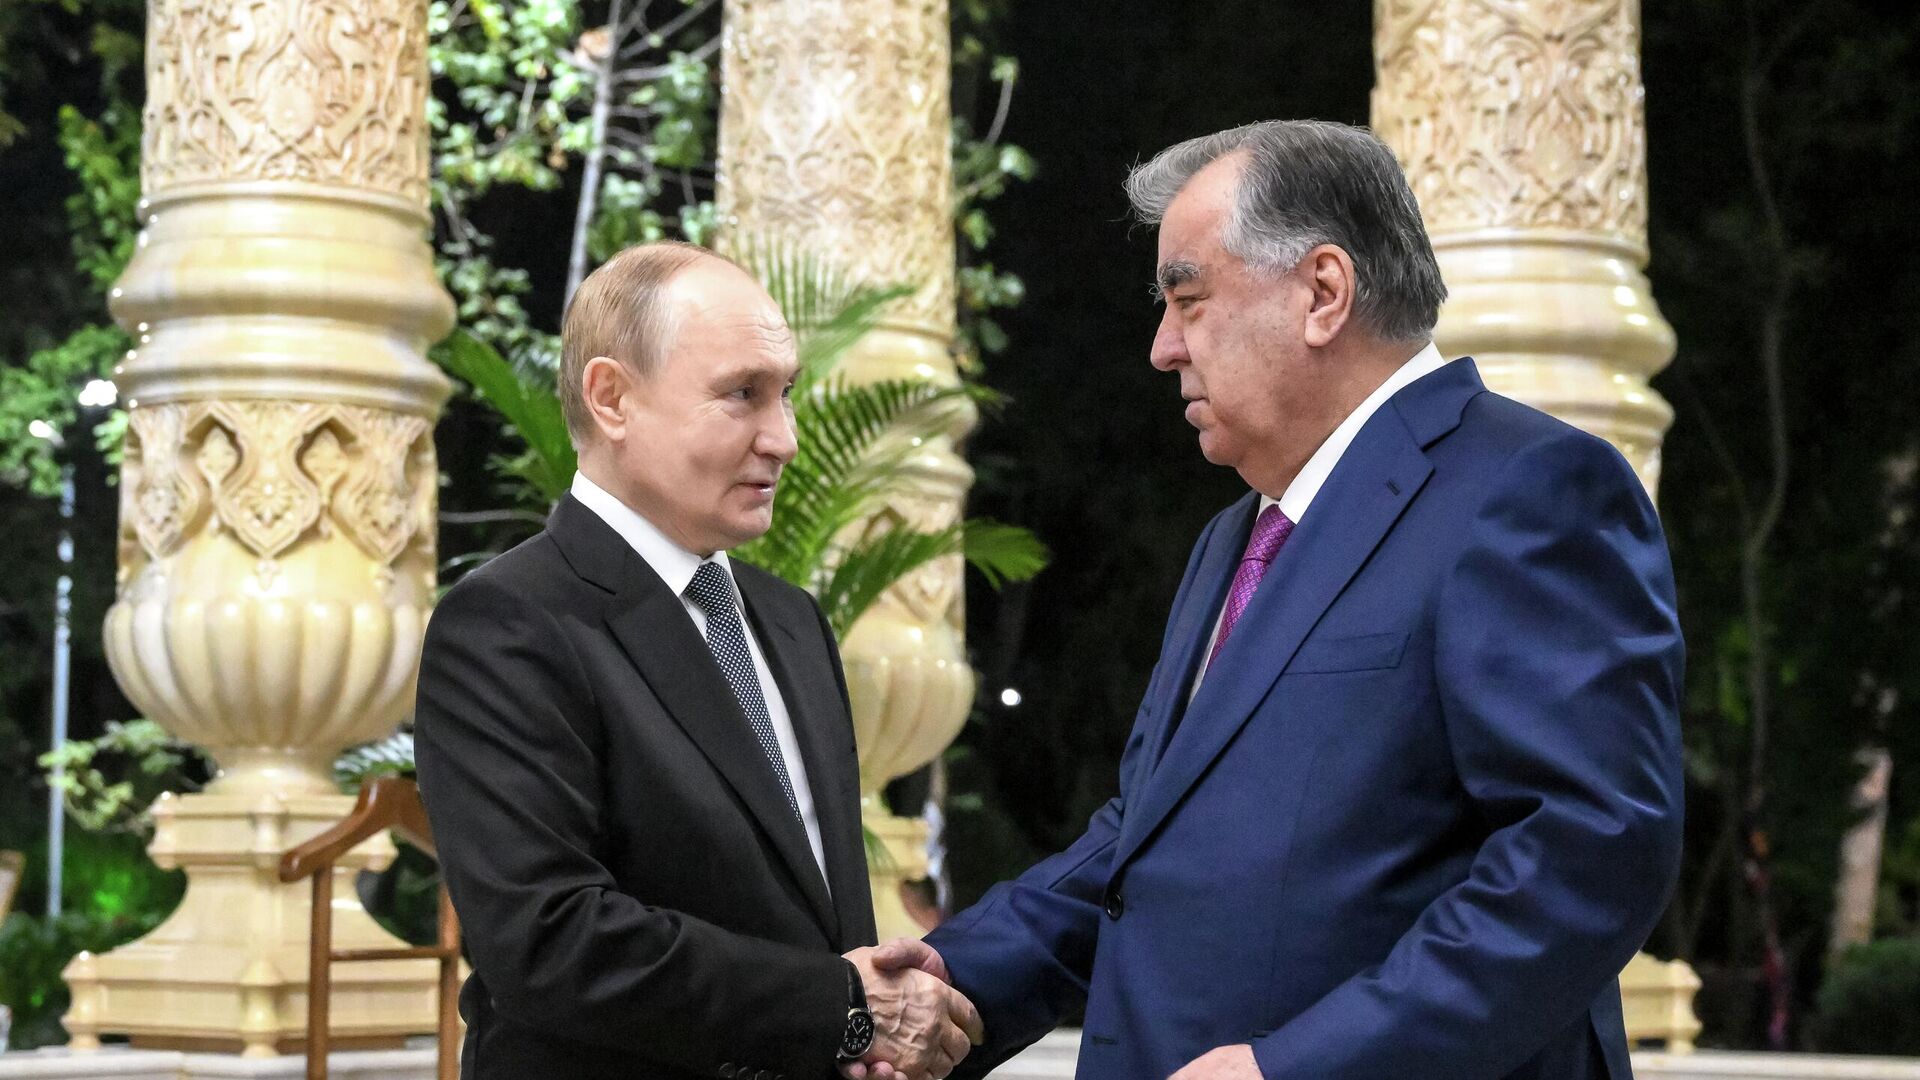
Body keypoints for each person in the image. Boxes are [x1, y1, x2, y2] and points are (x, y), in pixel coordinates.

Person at [909, 120, 1686, 1079]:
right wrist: (951, 976)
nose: (1162, 348)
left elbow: (1587, 856)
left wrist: (1301, 1068)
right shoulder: (1236, 536)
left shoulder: (1530, 488)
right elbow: (1147, 837)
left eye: (1187, 299)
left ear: (1323, 292)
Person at [415, 242, 982, 1080]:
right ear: (612, 398)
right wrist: (841, 1009)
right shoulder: (507, 622)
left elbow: (823, 920)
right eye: (742, 394)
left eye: (786, 394)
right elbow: (548, 941)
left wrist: (863, 1027)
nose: (784, 439)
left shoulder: (792, 622)